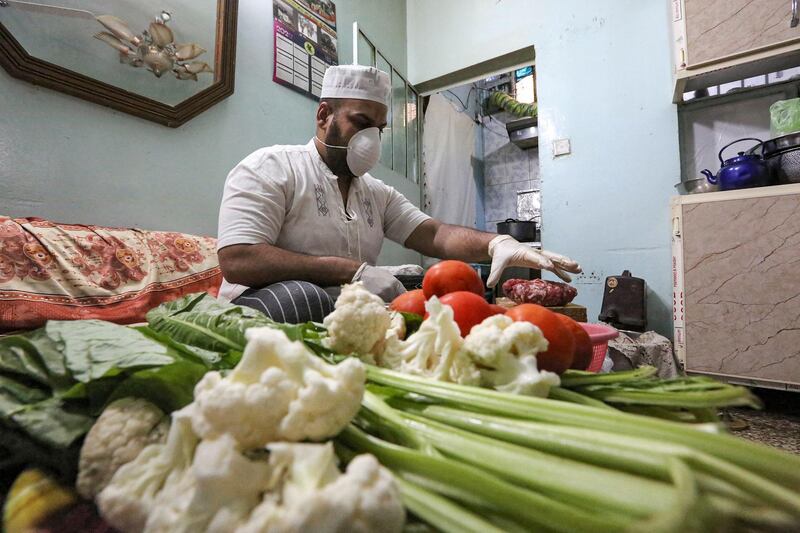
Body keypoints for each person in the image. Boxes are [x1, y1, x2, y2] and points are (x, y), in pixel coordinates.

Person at [217, 65, 580, 323]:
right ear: (324, 115)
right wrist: (352, 272)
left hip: (345, 313)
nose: (371, 138)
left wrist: (496, 243)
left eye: (379, 128)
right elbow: (239, 259)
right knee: (305, 298)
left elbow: (435, 234)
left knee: (426, 299)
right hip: (264, 306)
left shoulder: (376, 193)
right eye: (361, 123)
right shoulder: (271, 168)